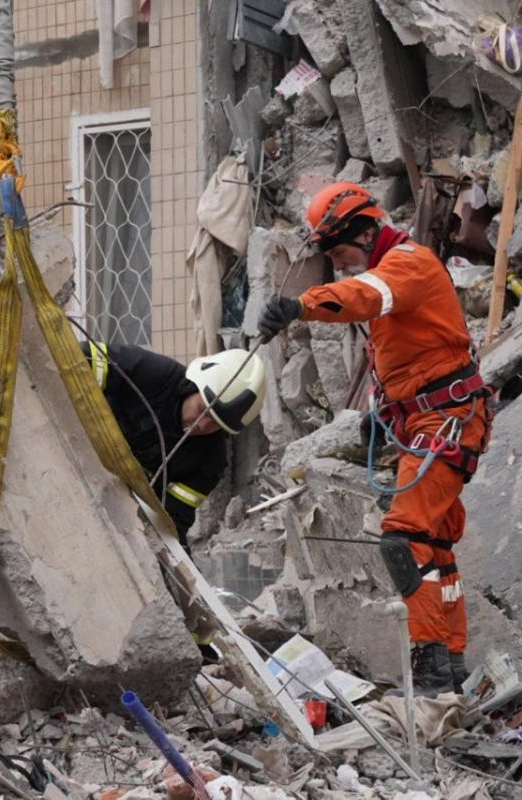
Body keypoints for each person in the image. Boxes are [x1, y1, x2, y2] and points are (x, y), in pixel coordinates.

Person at [258, 181, 493, 696]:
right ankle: (450, 662)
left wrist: (302, 306)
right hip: (433, 420)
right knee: (434, 546)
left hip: (446, 421)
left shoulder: (408, 265)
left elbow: (365, 299)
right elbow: (409, 356)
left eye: (340, 252)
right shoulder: (393, 270)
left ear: (365, 233)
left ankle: (432, 665)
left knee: (403, 539)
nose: (340, 265)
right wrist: (384, 412)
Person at [81, 341, 265, 548]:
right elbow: (78, 359)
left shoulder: (209, 461)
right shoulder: (152, 372)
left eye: (215, 423)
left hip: (108, 500)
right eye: (202, 409)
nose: (201, 424)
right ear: (195, 386)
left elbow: (171, 520)